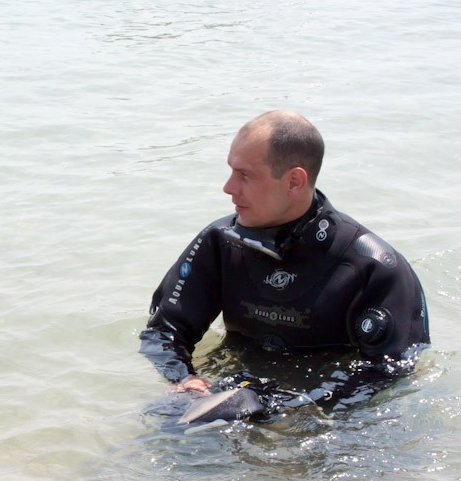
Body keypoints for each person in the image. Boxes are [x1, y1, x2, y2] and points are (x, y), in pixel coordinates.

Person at [141, 110, 430, 407]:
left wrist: (290, 410)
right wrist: (184, 379)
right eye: (230, 171)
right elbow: (164, 332)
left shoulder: (375, 267)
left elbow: (391, 372)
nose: (228, 187)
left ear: (294, 182)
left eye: (244, 175)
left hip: (324, 415)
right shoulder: (220, 242)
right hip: (233, 392)